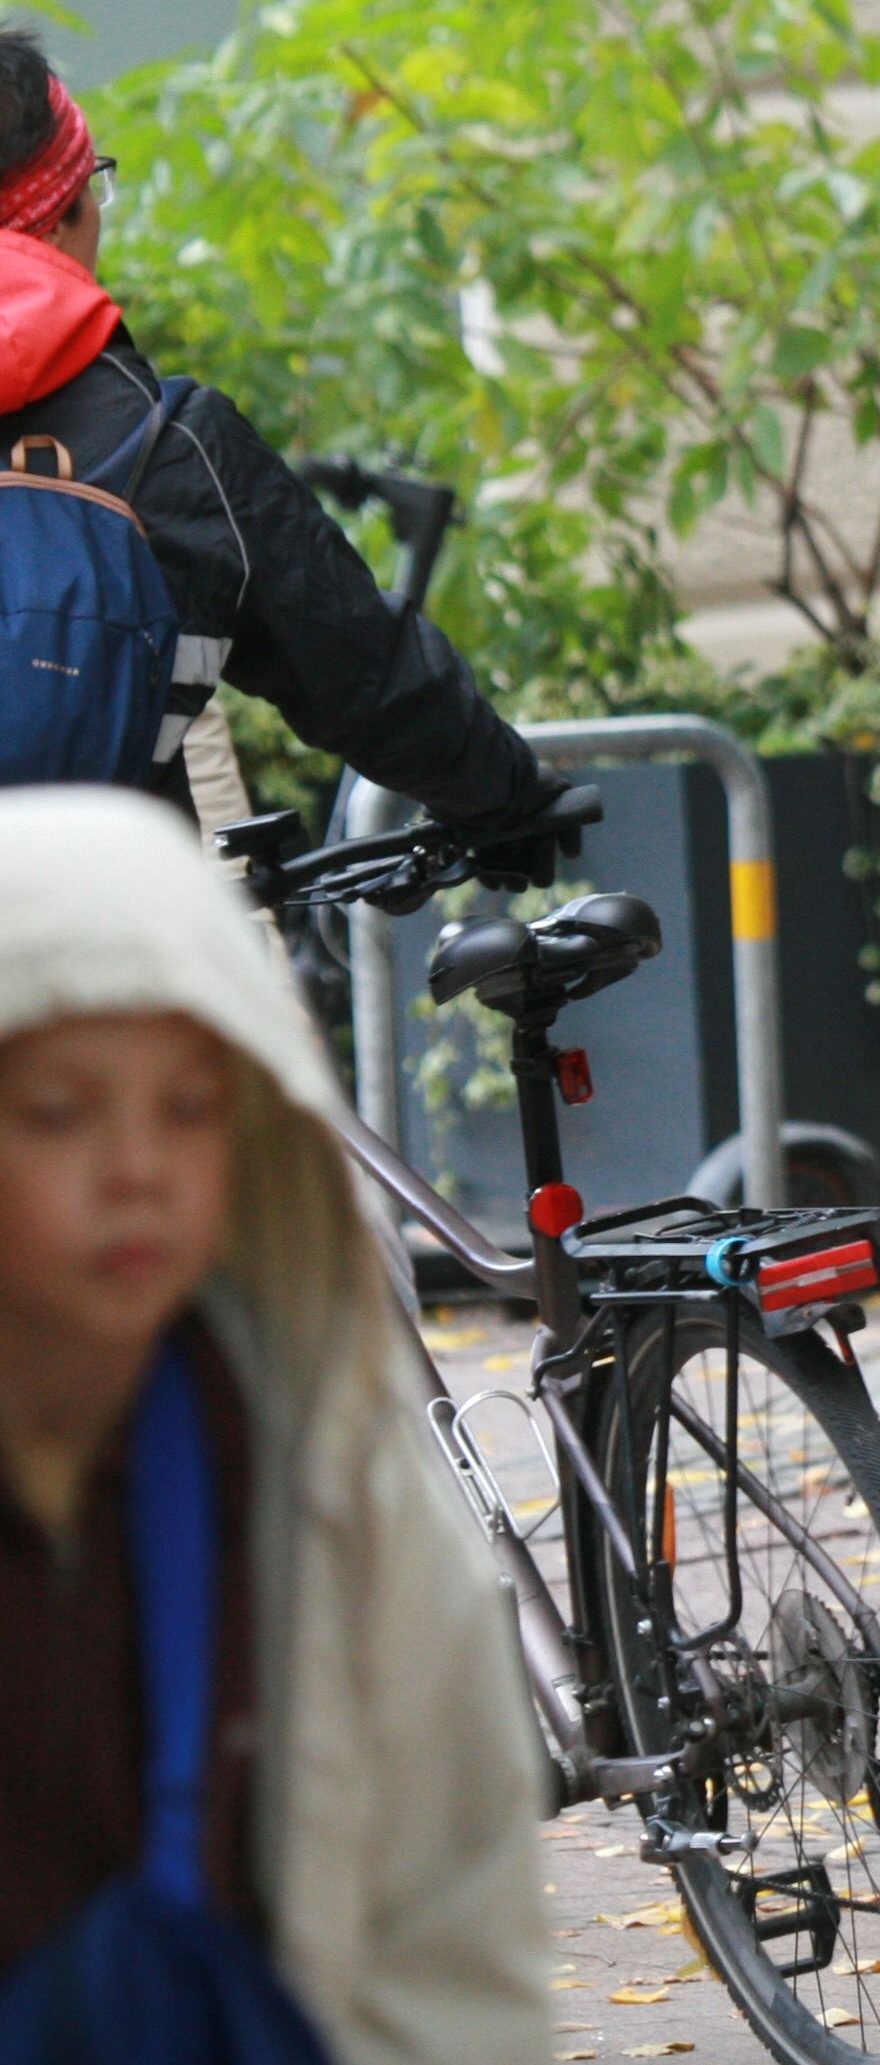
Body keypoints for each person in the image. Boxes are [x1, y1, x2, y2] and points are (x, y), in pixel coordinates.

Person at [0, 786, 550, 2062]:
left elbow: (452, 1934)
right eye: (58, 1111)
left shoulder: (331, 1480)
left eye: (189, 1109)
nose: (137, 1165)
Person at [0, 27, 562, 853]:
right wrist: (509, 803)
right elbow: (365, 672)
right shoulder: (171, 444)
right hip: (96, 947)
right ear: (66, 213)